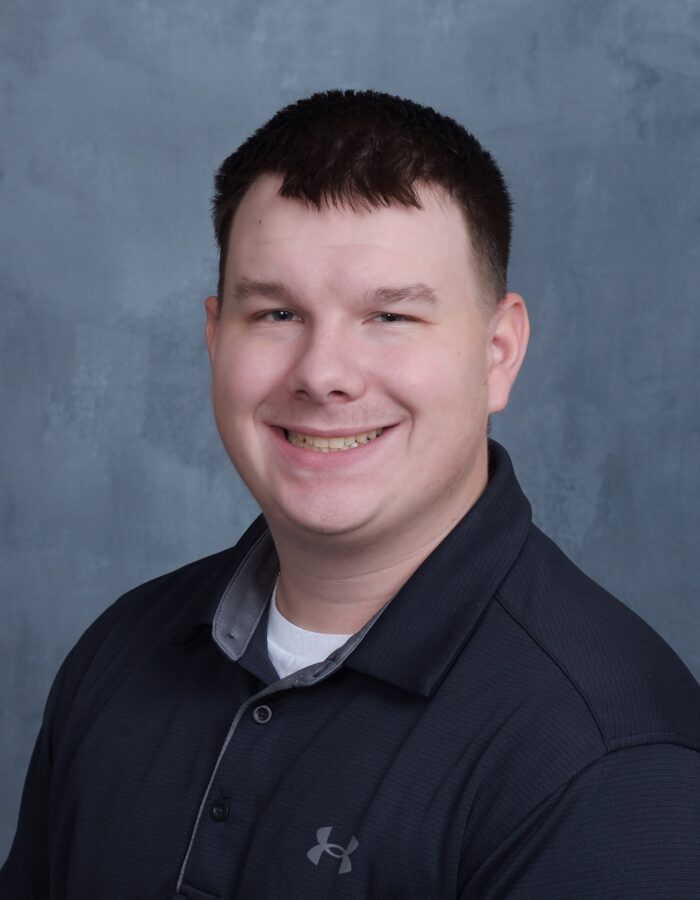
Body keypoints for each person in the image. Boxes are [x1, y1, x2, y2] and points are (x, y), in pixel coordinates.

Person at [2, 89, 699, 900]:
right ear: (214, 337)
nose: (323, 374)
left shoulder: (607, 764)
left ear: (498, 353)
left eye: (391, 316)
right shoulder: (119, 653)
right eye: (276, 313)